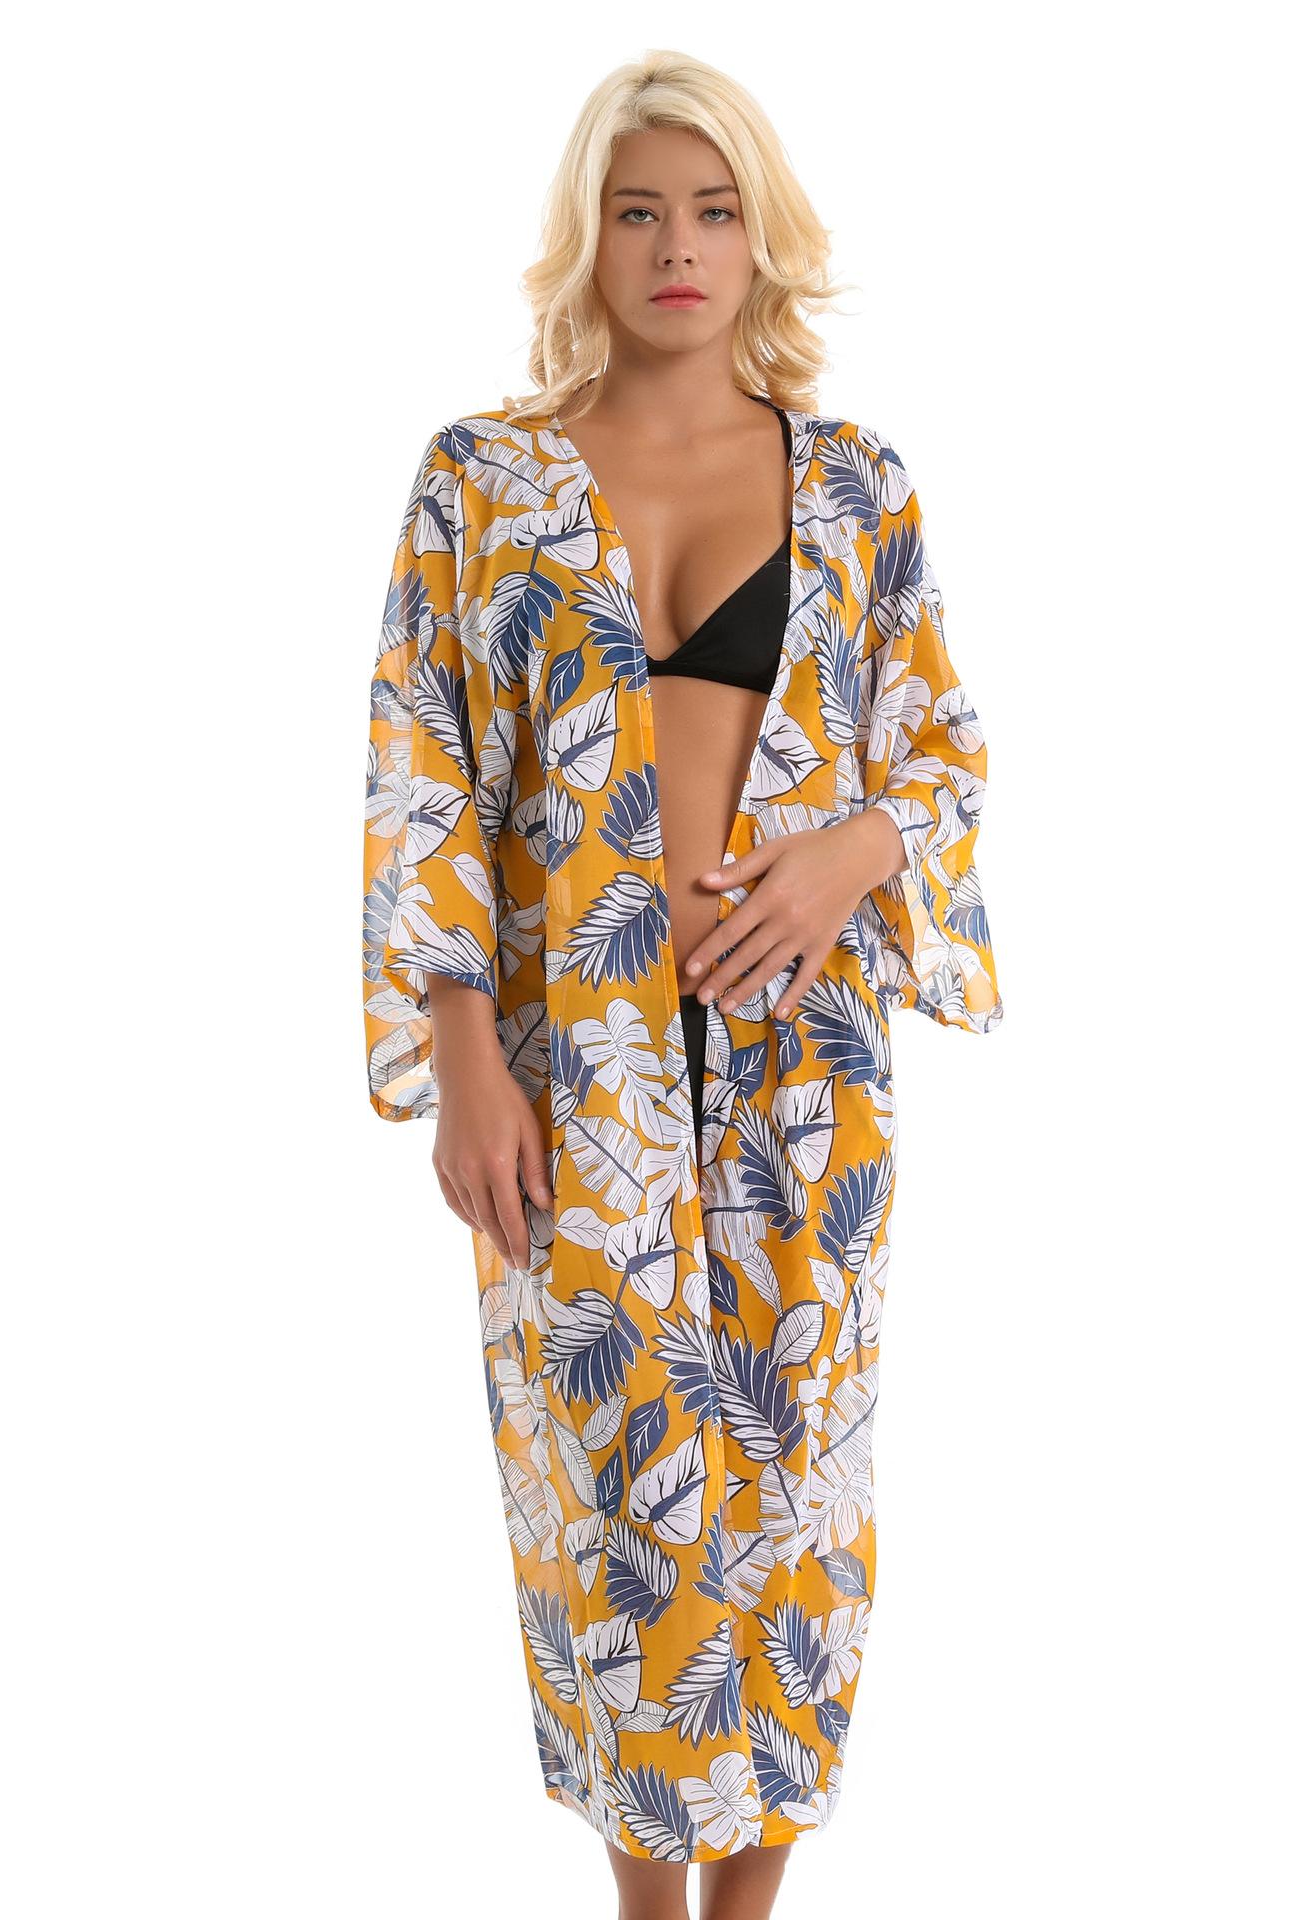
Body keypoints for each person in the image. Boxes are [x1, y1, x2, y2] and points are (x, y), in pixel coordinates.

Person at [361, 49, 1002, 1920]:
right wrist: (462, 1054)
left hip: (806, 1073)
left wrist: (845, 853)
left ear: (761, 233)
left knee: (795, 1502)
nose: (676, 247)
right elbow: (423, 769)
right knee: (611, 1509)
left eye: (714, 210)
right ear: (588, 234)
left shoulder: (855, 484)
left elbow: (942, 757)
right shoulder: (480, 482)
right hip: (573, 1080)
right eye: (637, 210)